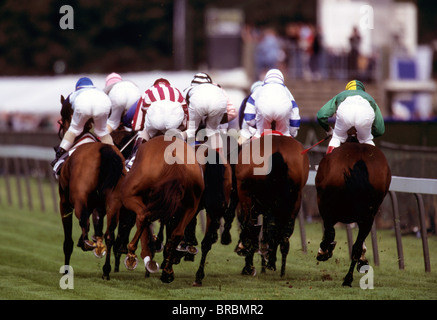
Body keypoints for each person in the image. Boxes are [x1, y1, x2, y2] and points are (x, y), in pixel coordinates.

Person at [124, 78, 188, 169]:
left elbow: (138, 121)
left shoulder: (148, 91)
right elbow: (185, 112)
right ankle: (190, 157)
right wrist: (182, 129)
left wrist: (140, 128)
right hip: (174, 120)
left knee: (144, 133)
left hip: (155, 120)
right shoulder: (176, 91)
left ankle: (133, 160)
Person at [51, 77, 113, 166]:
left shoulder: (74, 94)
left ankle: (59, 155)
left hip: (82, 104)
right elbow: (109, 114)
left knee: (74, 130)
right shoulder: (100, 91)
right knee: (102, 132)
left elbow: (64, 113)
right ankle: (116, 153)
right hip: (104, 103)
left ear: (77, 87)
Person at [316, 80, 385, 154]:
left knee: (336, 138)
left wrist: (329, 130)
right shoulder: (370, 98)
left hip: (345, 111)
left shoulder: (342, 94)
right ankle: (373, 162)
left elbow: (321, 115)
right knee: (367, 140)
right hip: (365, 114)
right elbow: (380, 130)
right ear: (362, 90)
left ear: (347, 89)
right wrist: (364, 134)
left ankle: (328, 163)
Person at [183, 72, 236, 151]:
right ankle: (219, 156)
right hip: (218, 108)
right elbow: (227, 111)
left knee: (190, 131)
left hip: (198, 106)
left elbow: (184, 111)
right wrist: (223, 131)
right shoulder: (218, 88)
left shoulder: (188, 89)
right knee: (212, 132)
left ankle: (181, 149)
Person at [243, 69, 300, 138]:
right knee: (285, 135)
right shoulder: (285, 90)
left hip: (263, 113)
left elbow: (248, 119)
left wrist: (255, 128)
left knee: (258, 136)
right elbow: (295, 114)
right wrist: (292, 132)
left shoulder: (259, 90)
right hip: (282, 112)